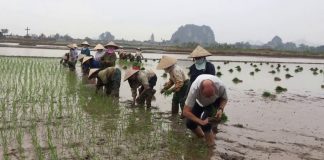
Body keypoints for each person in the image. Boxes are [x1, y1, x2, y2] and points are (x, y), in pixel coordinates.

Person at [183, 74, 228, 147]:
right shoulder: (194, 90)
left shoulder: (221, 86)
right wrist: (200, 121)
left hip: (214, 102)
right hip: (199, 102)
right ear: (201, 90)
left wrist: (220, 109)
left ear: (214, 87)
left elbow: (224, 99)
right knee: (190, 123)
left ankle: (211, 146)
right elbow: (185, 112)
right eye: (207, 96)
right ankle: (202, 137)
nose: (209, 97)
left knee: (206, 124)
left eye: (211, 95)